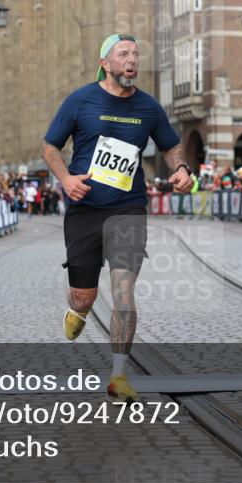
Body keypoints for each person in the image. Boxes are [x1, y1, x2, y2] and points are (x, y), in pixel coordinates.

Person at [42, 33, 189, 403]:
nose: (132, 59)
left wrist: (182, 168)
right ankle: (78, 310)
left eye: (136, 54)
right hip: (85, 210)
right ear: (105, 63)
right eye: (123, 53)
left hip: (128, 208)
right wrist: (66, 179)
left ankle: (118, 376)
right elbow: (50, 146)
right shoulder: (81, 100)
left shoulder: (149, 107)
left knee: (123, 292)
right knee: (83, 296)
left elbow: (170, 145)